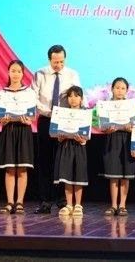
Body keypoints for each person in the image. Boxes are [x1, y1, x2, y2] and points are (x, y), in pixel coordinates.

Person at [31, 44, 81, 214]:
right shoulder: (40, 74)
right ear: (49, 60)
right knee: (45, 160)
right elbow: (33, 96)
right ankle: (45, 201)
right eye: (55, 62)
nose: (58, 65)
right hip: (46, 119)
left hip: (65, 122)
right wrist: (46, 111)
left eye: (61, 61)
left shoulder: (72, 74)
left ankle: (62, 200)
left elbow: (78, 96)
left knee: (62, 160)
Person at [0, 60, 35, 215]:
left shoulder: (29, 93)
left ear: (22, 73)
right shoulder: (2, 93)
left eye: (19, 71)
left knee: (22, 169)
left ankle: (19, 202)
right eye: (13, 70)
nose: (15, 74)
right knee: (10, 168)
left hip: (23, 130)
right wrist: (2, 119)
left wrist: (29, 119)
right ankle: (9, 202)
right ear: (8, 72)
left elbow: (32, 115)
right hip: (9, 130)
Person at [100, 77, 135, 216]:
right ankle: (113, 205)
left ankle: (122, 205)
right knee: (113, 175)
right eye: (117, 87)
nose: (120, 90)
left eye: (123, 88)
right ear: (112, 89)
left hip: (127, 139)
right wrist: (106, 129)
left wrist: (131, 128)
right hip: (112, 139)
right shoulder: (106, 106)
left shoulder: (131, 106)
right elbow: (102, 127)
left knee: (125, 175)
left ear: (127, 90)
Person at [54, 86, 88, 218]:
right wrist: (60, 137)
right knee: (67, 176)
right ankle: (69, 204)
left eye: (76, 96)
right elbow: (57, 132)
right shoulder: (62, 113)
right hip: (66, 146)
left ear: (81, 98)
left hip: (79, 147)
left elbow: (87, 133)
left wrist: (83, 139)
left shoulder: (85, 113)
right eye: (70, 96)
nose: (73, 99)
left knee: (78, 175)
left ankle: (78, 204)